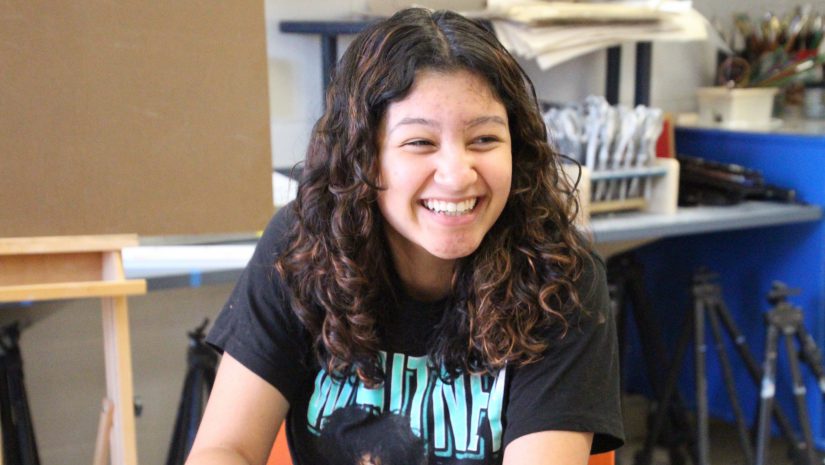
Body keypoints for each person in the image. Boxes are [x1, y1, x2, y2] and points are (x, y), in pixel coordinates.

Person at [186, 7, 624, 465]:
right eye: (420, 143)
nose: (457, 175)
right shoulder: (303, 244)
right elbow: (225, 447)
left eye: (484, 140)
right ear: (365, 156)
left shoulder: (557, 277)